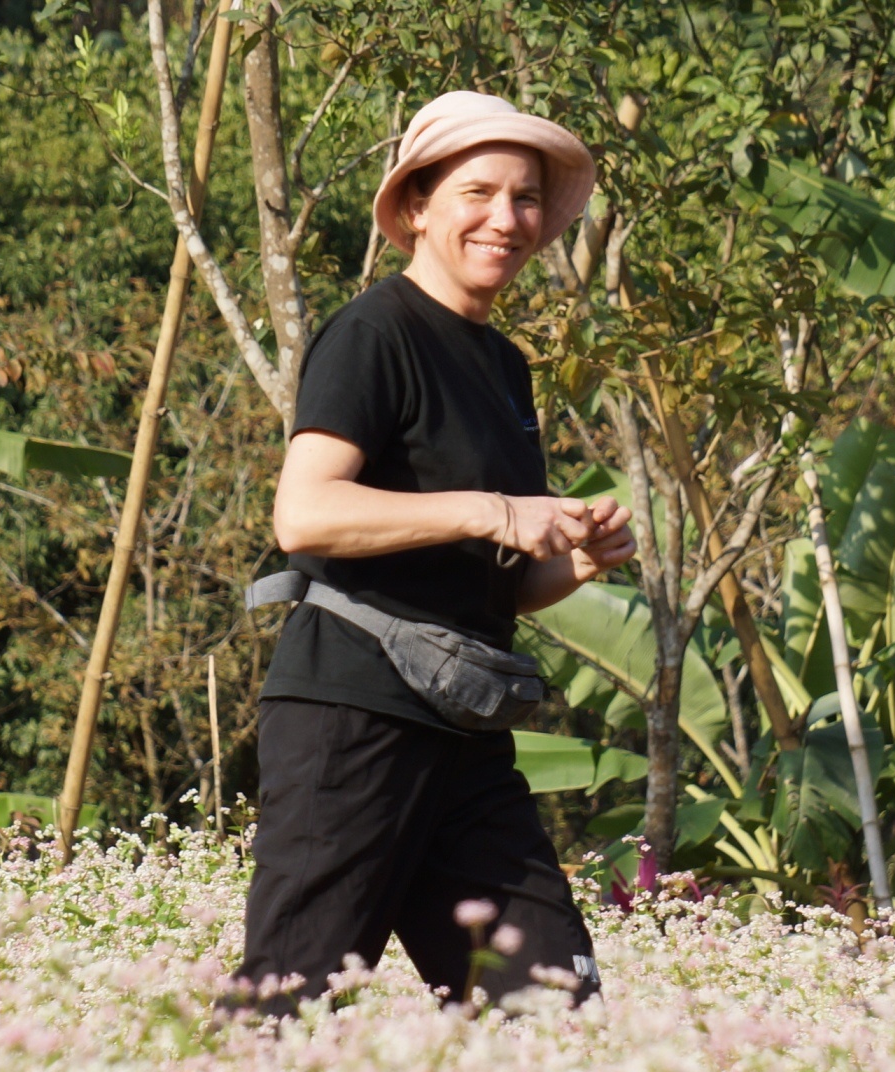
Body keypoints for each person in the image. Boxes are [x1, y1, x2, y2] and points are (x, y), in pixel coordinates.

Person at [236, 92, 637, 1011]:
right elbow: (304, 514)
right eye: (478, 192)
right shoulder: (374, 333)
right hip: (352, 716)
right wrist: (494, 509)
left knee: (552, 1006)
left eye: (527, 199)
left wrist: (573, 561)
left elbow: (480, 583)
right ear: (417, 205)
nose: (507, 219)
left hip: (464, 729)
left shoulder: (504, 367)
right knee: (283, 1007)